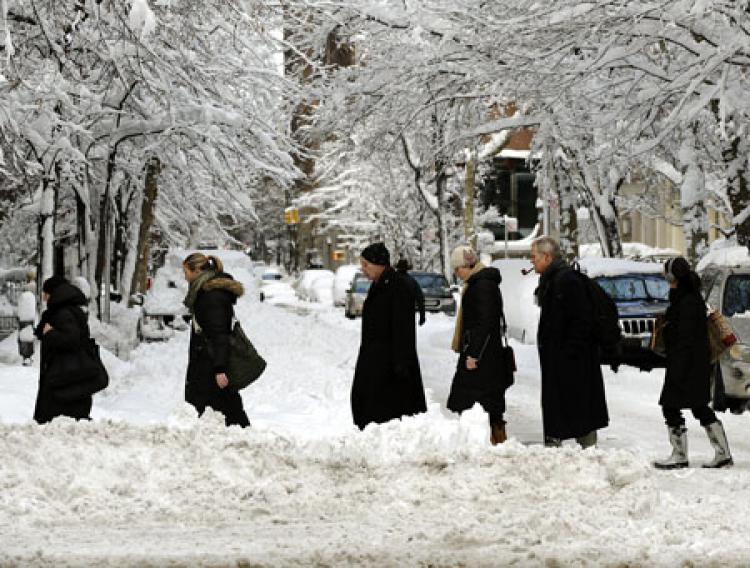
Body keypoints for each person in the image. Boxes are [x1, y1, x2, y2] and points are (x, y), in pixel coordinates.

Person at [654, 257, 733, 469]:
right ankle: (722, 453)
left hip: (686, 364)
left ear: (672, 276)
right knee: (698, 406)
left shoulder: (686, 301)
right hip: (692, 363)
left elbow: (686, 338)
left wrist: (678, 367)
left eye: (666, 274)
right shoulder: (688, 297)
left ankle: (680, 454)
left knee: (671, 407)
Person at [531, 236, 608, 448]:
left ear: (547, 257)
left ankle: (587, 452)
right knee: (565, 407)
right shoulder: (553, 280)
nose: (532, 262)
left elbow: (582, 321)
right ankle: (560, 448)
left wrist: (569, 352)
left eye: (534, 257)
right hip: (561, 360)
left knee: (577, 408)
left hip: (573, 362)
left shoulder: (566, 281)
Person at [351, 242, 427, 429]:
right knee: (364, 400)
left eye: (366, 264)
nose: (363, 269)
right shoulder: (379, 284)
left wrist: (401, 363)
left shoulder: (396, 286)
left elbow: (403, 327)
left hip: (390, 361)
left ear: (379, 264)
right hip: (374, 356)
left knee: (388, 408)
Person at [447, 245, 510, 444]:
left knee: (476, 401)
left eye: (458, 269)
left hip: (482, 357)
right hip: (484, 354)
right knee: (487, 401)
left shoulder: (482, 286)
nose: (457, 274)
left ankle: (488, 441)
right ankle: (492, 439)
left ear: (467, 266)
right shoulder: (480, 283)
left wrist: (474, 354)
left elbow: (485, 323)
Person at [182, 253, 250, 428]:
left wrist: (220, 368)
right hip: (208, 360)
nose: (185, 277)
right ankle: (236, 438)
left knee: (221, 407)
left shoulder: (211, 295)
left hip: (211, 363)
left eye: (186, 272)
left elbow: (220, 333)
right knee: (222, 406)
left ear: (197, 270)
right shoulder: (206, 292)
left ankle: (241, 439)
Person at [33, 276, 93, 424]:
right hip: (65, 376)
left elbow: (72, 339)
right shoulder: (65, 311)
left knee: (56, 421)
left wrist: (50, 333)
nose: (44, 297)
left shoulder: (63, 313)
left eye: (46, 293)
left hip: (64, 377)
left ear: (53, 293)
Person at [395, 258, 426, 326]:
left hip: (393, 317)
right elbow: (420, 299)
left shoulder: (390, 280)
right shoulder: (412, 281)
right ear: (407, 268)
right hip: (408, 316)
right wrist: (422, 316)